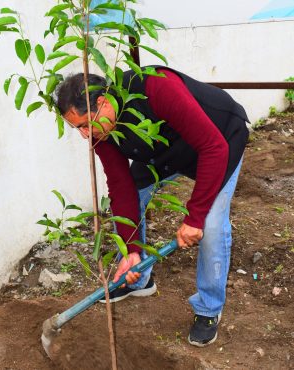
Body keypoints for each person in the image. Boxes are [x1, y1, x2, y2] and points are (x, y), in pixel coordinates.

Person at [55, 65, 249, 347]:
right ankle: (139, 278)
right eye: (77, 129)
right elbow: (121, 187)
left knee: (210, 224)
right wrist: (130, 250)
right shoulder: (102, 131)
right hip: (165, 153)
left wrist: (194, 217)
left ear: (102, 102)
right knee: (135, 191)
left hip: (219, 140)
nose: (85, 134)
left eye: (86, 124)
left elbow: (213, 147)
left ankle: (208, 309)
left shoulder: (156, 88)